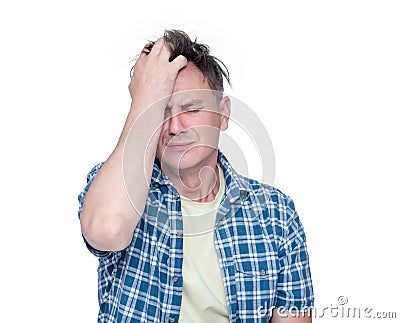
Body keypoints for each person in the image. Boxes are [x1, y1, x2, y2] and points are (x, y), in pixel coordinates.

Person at [78, 29, 314, 322]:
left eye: (191, 109)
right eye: (160, 112)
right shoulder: (114, 188)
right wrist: (146, 97)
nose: (175, 126)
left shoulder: (275, 213)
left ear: (223, 113)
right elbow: (108, 230)